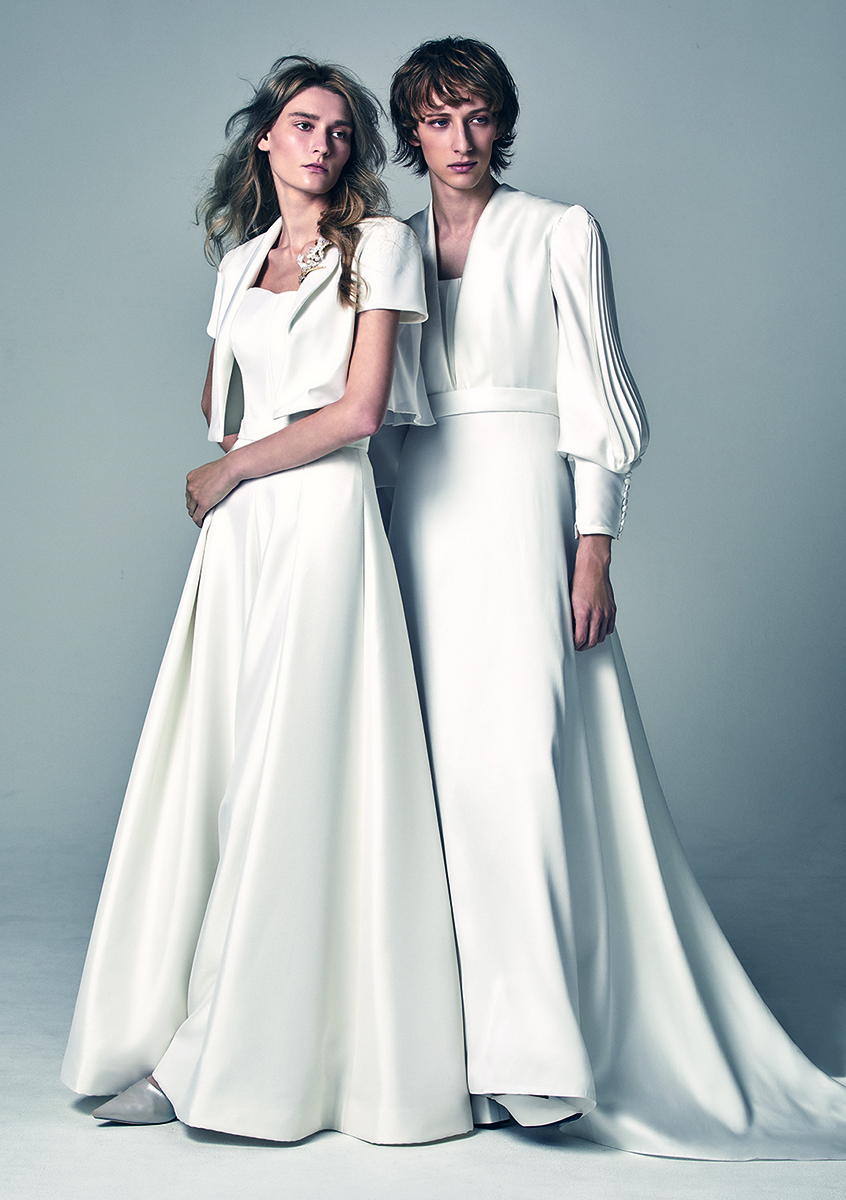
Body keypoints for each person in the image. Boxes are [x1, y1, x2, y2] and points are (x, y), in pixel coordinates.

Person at [380, 36, 846, 1158]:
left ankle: (537, 1053)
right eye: (438, 120)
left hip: (519, 512)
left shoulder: (559, 229)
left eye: (478, 115)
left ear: (503, 122)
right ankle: (439, 1054)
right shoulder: (386, 245)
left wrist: (593, 550)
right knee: (427, 776)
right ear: (411, 135)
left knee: (520, 764)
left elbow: (596, 395)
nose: (460, 139)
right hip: (412, 517)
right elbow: (372, 403)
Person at [61, 55, 473, 1145]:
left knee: (289, 775)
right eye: (302, 125)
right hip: (243, 532)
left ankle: (223, 1058)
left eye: (339, 131)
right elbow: (219, 402)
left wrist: (237, 466)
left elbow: (361, 411)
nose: (322, 144)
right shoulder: (241, 262)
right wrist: (238, 453)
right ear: (265, 139)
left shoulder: (380, 248)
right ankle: (185, 1028)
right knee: (223, 763)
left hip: (323, 517)